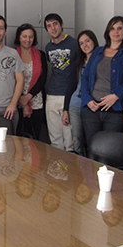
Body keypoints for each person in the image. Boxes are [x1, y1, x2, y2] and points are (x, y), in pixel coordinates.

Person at [81, 16, 123, 148]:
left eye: (119, 28)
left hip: (115, 111)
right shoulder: (98, 51)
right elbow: (85, 77)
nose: (116, 32)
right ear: (108, 32)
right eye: (112, 28)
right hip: (92, 109)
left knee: (110, 150)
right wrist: (87, 100)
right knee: (92, 149)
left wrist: (116, 95)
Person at [44, 13, 78, 151]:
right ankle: (57, 171)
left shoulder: (74, 43)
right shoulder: (48, 47)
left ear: (62, 25)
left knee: (69, 138)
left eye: (55, 24)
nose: (53, 28)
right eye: (49, 26)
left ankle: (70, 171)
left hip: (69, 95)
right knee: (55, 139)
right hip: (52, 95)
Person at [62, 30, 99, 155]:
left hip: (92, 106)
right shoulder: (78, 63)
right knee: (76, 140)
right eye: (81, 43)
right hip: (75, 104)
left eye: (87, 41)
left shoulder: (101, 61)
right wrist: (65, 109)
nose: (85, 45)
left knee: (92, 142)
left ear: (94, 41)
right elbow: (71, 86)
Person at [14, 23, 47, 140]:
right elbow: (11, 80)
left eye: (31, 37)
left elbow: (42, 79)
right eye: (24, 36)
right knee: (19, 138)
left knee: (35, 137)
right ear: (19, 37)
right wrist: (23, 103)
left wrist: (28, 97)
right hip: (17, 102)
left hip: (37, 101)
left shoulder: (40, 55)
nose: (27, 40)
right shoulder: (13, 55)